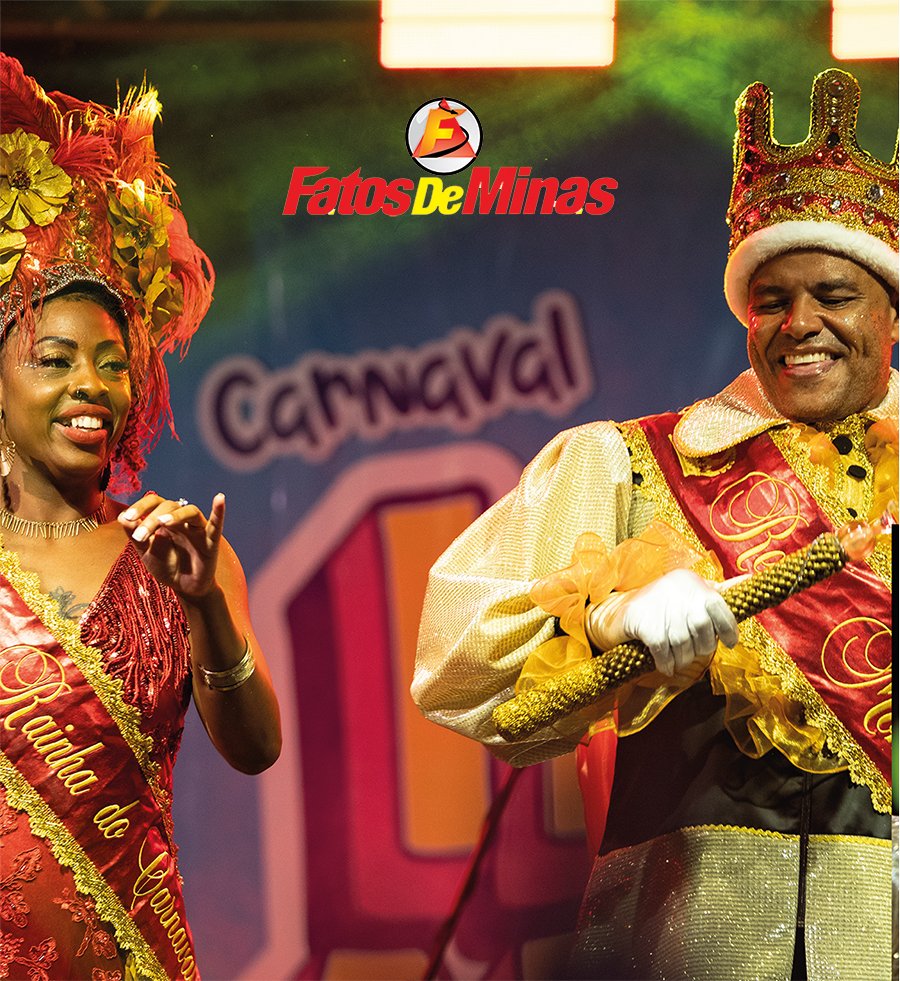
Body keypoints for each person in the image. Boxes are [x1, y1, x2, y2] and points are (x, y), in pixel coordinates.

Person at [413, 68, 895, 980]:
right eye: (772, 300)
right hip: (691, 935)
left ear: (892, 311)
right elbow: (456, 670)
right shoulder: (630, 465)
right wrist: (610, 616)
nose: (800, 323)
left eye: (834, 295)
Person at [0, 56, 281, 980]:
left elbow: (256, 748)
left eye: (112, 362)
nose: (90, 384)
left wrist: (203, 605)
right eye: (54, 359)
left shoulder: (175, 550)